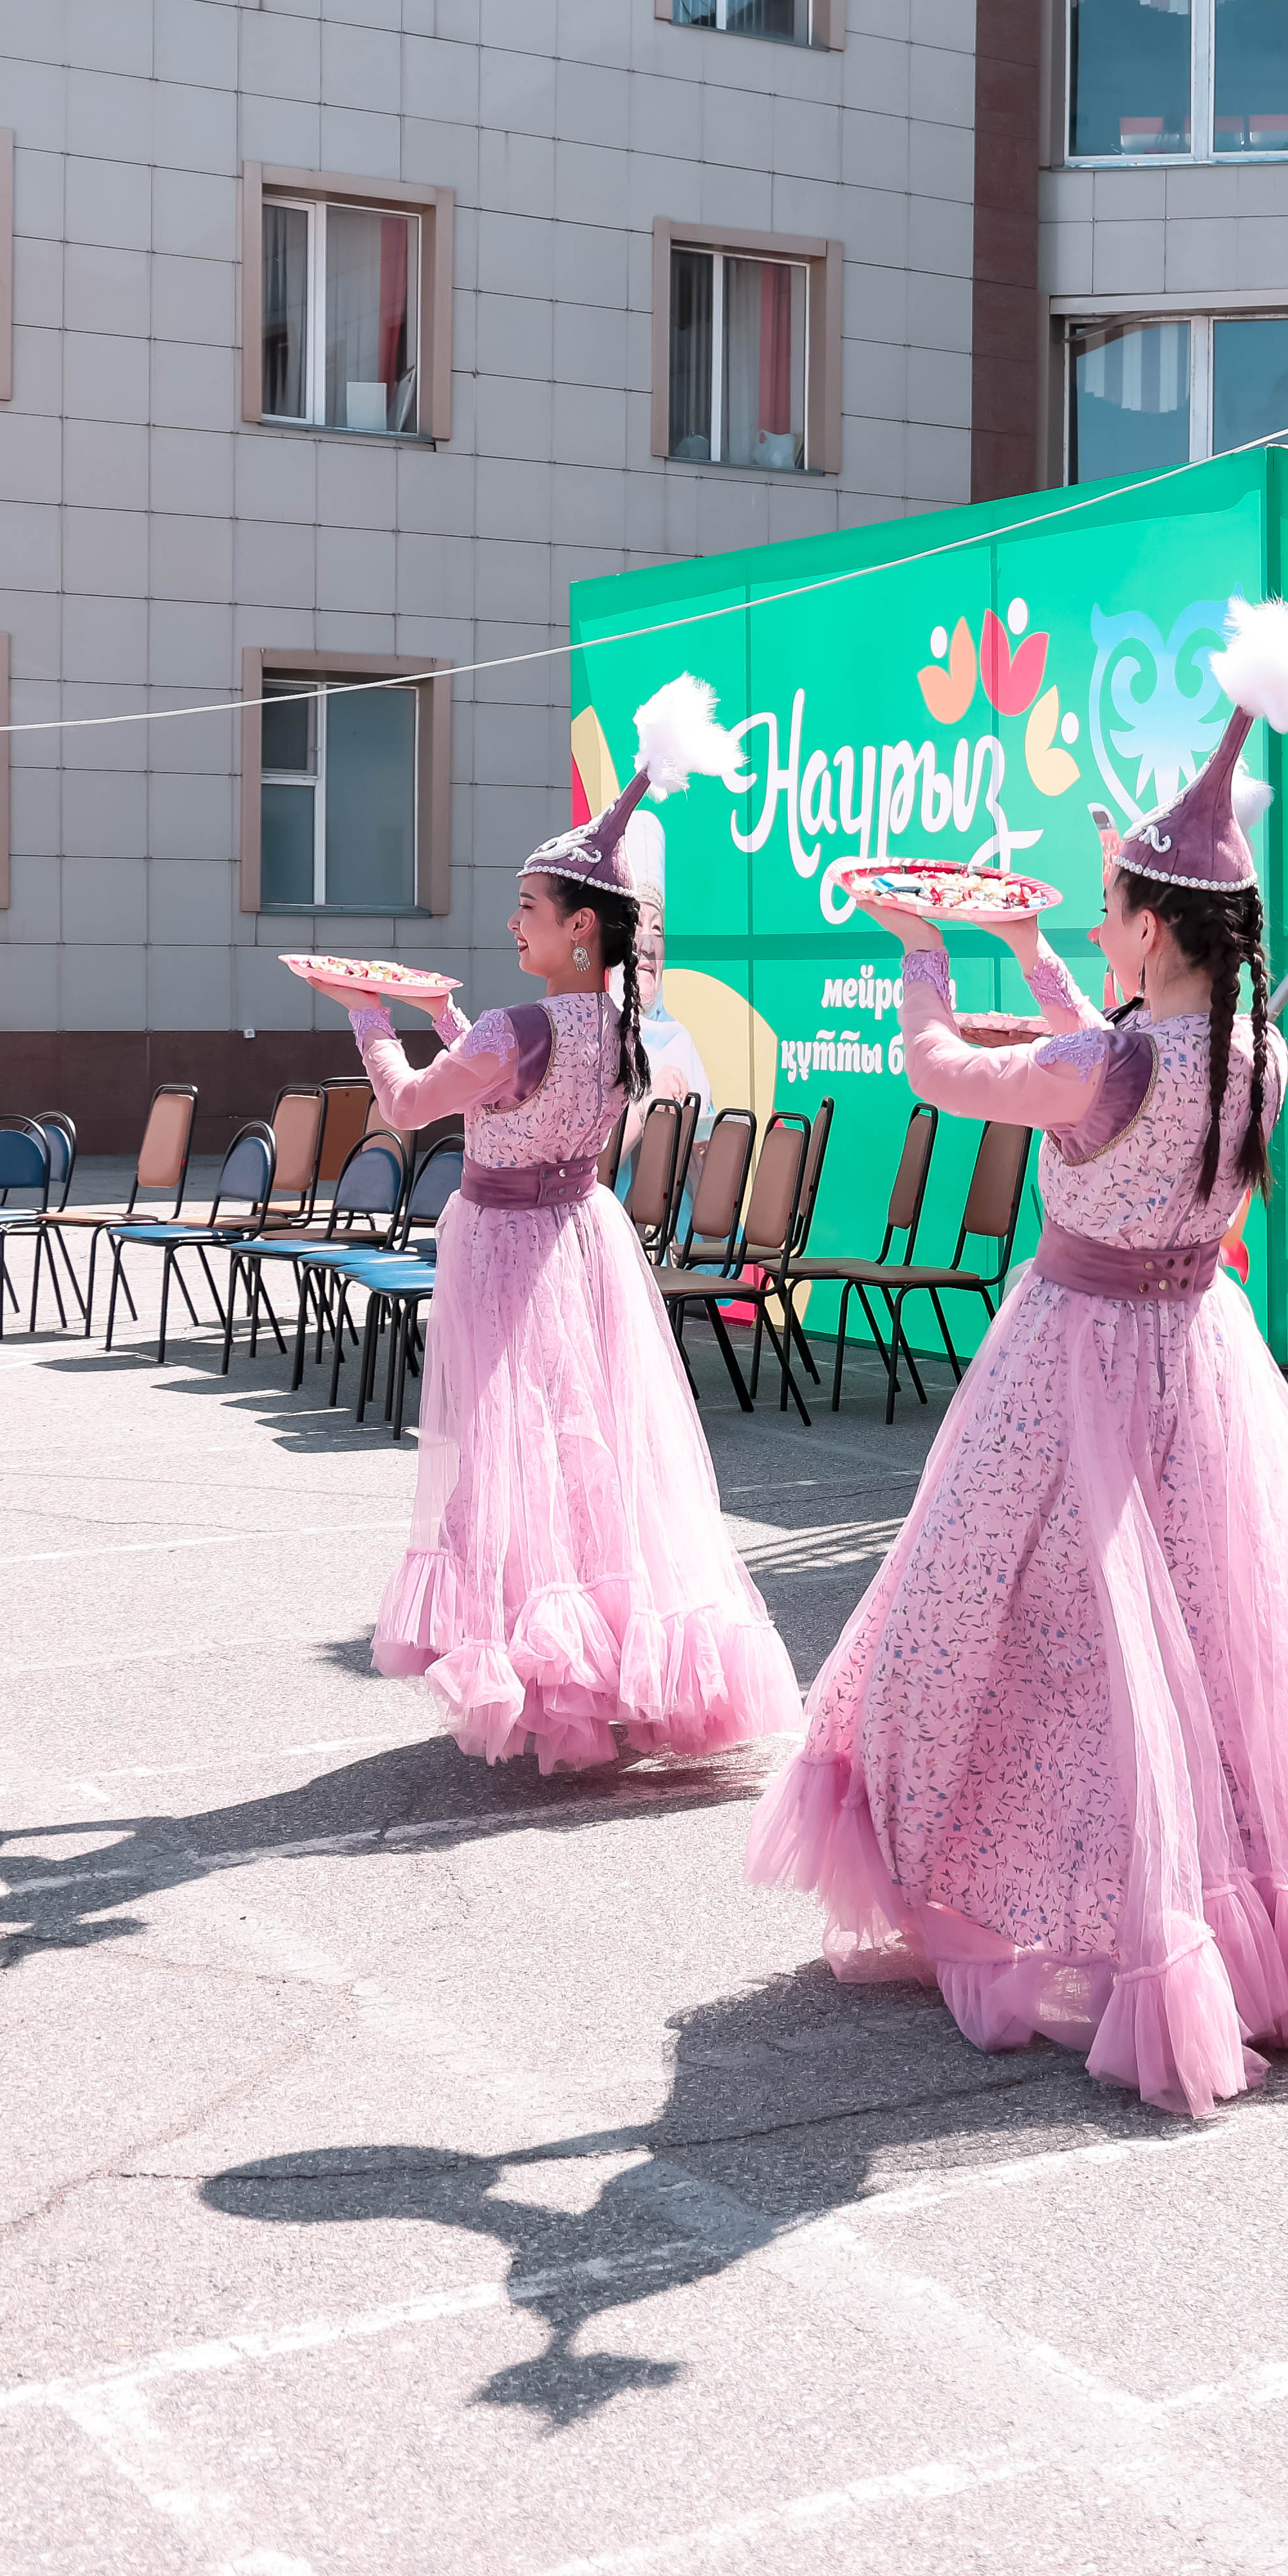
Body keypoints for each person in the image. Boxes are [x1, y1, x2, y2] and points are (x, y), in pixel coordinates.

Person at [746, 601, 1288, 2118]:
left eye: (1106, 907)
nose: (1098, 925)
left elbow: (944, 1072)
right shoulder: (1251, 1049)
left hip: (1073, 1358)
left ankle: (1061, 1885)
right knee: (1227, 1634)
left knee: (1013, 1618)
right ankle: (1257, 1902)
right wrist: (1030, 951)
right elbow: (1103, 1064)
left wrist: (923, 955)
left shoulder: (1115, 1056)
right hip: (1194, 1356)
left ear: (1155, 928)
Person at [326, 679, 801, 1774]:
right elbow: (507, 1084)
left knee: (514, 1456)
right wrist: (444, 1017)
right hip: (580, 1237)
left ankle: (552, 1673)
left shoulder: (516, 1025)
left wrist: (367, 1016)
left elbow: (413, 1106)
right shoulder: (618, 1022)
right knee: (589, 1455)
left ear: (582, 925)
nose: (513, 924)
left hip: (506, 1252)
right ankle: (617, 1663)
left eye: (528, 909)